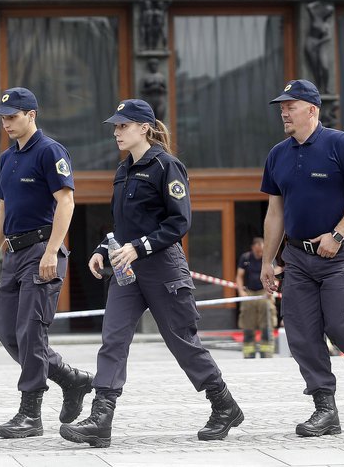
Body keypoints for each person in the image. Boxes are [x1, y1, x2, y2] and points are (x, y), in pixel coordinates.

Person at [60, 99, 243, 448]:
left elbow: (179, 221)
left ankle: (223, 404)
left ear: (144, 127)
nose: (116, 132)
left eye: (123, 126)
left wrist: (140, 247)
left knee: (182, 343)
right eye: (115, 126)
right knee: (113, 338)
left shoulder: (166, 166)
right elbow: (124, 224)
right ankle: (101, 418)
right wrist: (104, 248)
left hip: (163, 268)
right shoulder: (123, 169)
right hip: (128, 271)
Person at [260, 79, 344, 438]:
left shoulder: (339, 143)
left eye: (291, 105)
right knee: (301, 334)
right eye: (281, 107)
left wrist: (337, 235)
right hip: (298, 259)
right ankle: (325, 409)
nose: (284, 112)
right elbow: (275, 212)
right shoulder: (277, 154)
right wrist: (267, 261)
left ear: (312, 110)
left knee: (343, 327)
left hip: (339, 255)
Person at [0, 87, 93, 439]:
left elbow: (66, 202)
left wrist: (51, 252)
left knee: (31, 331)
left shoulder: (50, 151)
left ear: (32, 115)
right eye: (3, 117)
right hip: (14, 254)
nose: (6, 123)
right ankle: (71, 379)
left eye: (12, 116)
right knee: (5, 328)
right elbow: (3, 208)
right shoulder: (7, 157)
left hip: (42, 251)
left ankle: (30, 413)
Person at [236, 237, 275, 358]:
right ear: (253, 248)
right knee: (247, 321)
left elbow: (275, 276)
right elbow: (239, 276)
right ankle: (249, 352)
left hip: (264, 292)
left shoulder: (268, 258)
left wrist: (271, 290)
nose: (259, 253)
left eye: (261, 250)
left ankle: (266, 351)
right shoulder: (246, 258)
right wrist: (241, 291)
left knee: (267, 320)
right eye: (257, 251)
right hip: (249, 294)